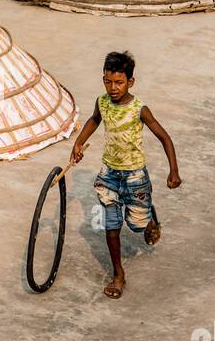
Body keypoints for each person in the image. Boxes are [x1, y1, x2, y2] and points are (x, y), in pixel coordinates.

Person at [68, 51, 181, 299]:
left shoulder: (140, 109)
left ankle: (150, 218)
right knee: (112, 226)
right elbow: (94, 119)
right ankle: (118, 274)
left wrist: (174, 170)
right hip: (108, 174)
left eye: (119, 82)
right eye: (108, 81)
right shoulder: (102, 102)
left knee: (137, 225)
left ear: (131, 82)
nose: (113, 88)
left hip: (135, 177)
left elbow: (164, 137)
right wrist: (78, 143)